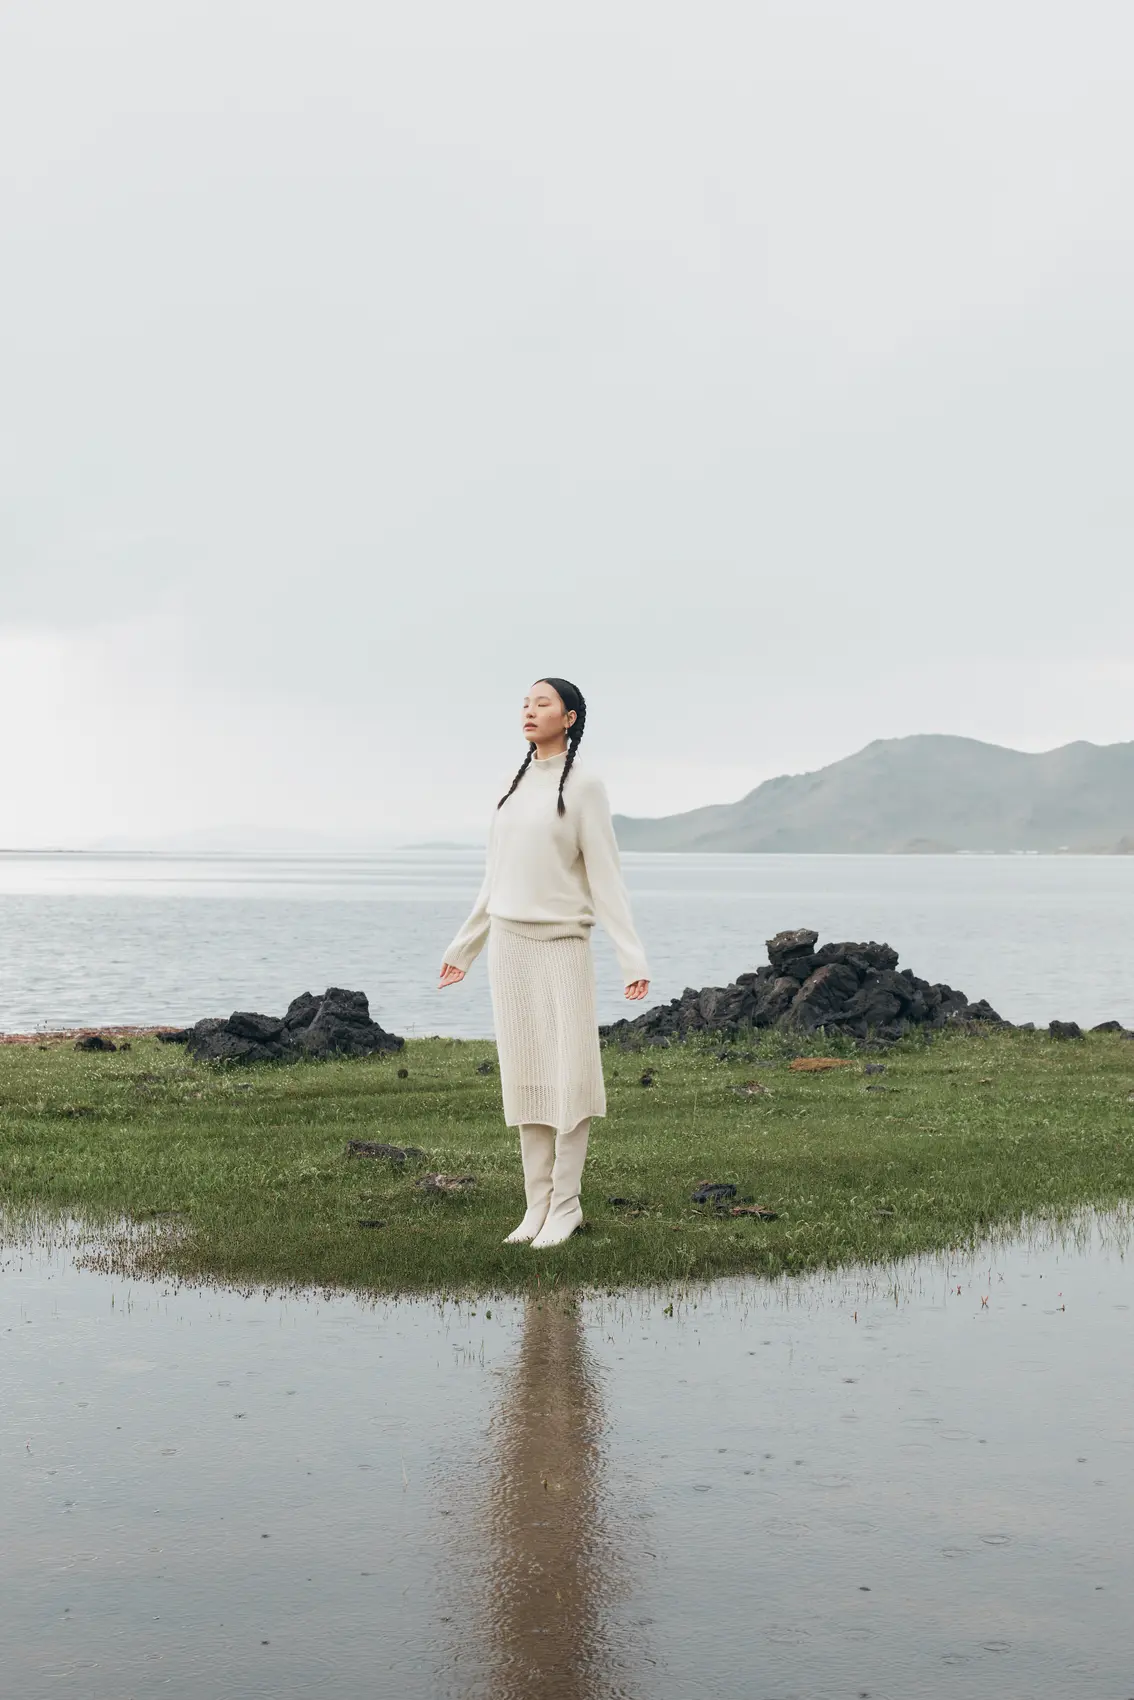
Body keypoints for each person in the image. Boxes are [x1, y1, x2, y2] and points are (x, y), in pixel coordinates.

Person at [438, 678, 649, 1248]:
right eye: (525, 704)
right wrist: (465, 947)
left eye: (543, 703)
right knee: (527, 1077)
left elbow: (607, 877)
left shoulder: (585, 787)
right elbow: (494, 879)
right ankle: (535, 1206)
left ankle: (567, 1205)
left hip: (562, 947)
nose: (530, 711)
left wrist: (632, 957)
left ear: (571, 718)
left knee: (569, 1077)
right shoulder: (511, 790)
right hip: (508, 948)